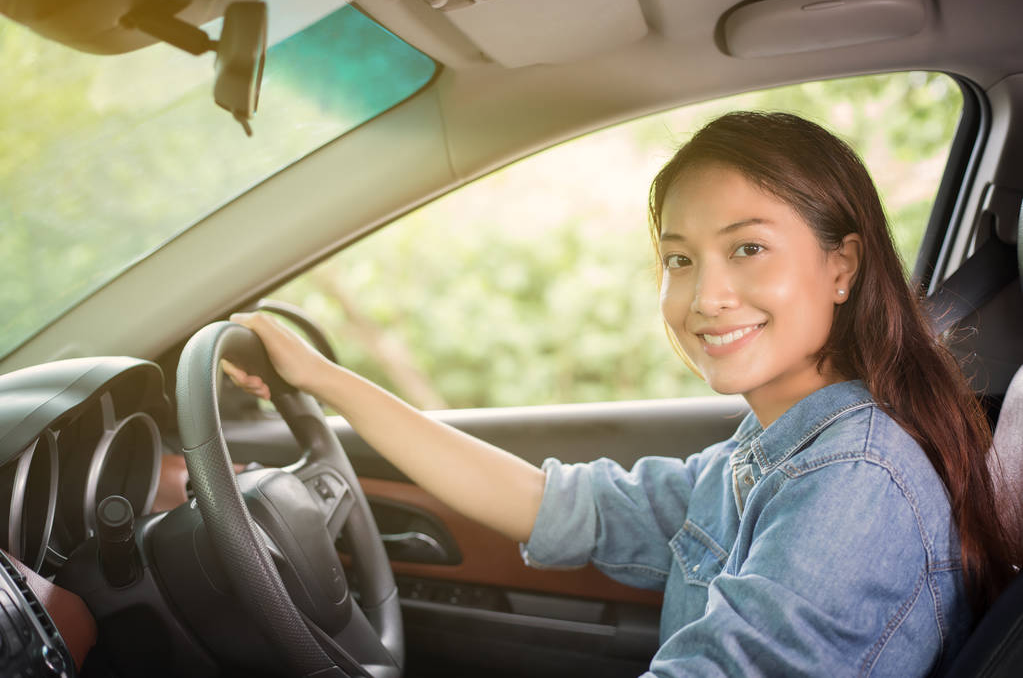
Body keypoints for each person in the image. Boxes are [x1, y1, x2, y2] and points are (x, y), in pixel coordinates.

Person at [223, 111, 1019, 676]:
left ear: (841, 267)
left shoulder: (853, 479)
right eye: (679, 259)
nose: (706, 296)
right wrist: (326, 381)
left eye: (747, 248)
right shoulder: (771, 452)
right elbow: (562, 506)